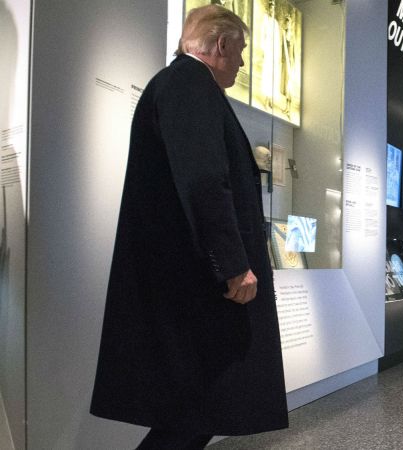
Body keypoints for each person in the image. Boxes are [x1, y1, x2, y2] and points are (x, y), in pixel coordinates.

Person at [90, 5, 287, 449]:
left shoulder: (181, 84)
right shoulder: (189, 84)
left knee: (199, 409)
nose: (241, 62)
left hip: (188, 282)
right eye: (240, 51)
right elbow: (203, 181)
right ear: (221, 45)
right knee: (197, 407)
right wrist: (233, 265)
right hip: (197, 286)